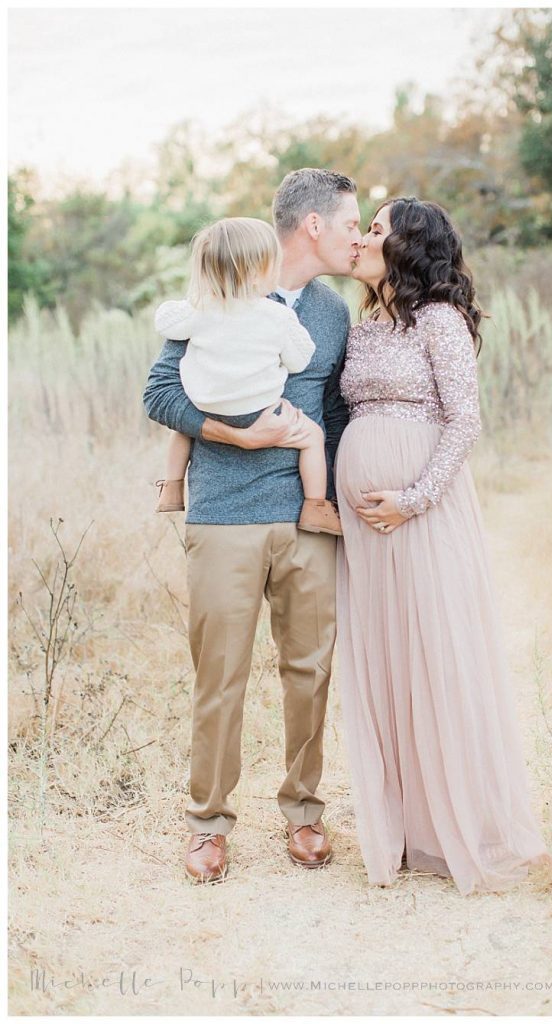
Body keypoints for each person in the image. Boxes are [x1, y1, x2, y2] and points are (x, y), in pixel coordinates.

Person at [143, 169, 361, 882]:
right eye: (350, 222)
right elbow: (161, 392)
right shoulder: (222, 296)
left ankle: (303, 813)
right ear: (312, 227)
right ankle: (208, 825)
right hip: (223, 516)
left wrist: (341, 499)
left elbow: (332, 411)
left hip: (305, 520)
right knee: (221, 676)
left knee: (310, 671)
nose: (356, 235)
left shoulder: (332, 313)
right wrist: (230, 437)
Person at [334, 197, 552, 894]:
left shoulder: (440, 320)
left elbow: (465, 422)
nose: (363, 237)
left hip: (422, 516)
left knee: (434, 656)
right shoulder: (363, 324)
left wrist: (412, 498)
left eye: (374, 227)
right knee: (387, 663)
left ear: (407, 245)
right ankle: (404, 825)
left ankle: (456, 826)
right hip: (366, 532)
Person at [153, 216, 341, 537]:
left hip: (207, 406)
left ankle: (171, 487)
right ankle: (315, 506)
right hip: (260, 409)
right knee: (311, 436)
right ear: (257, 271)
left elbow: (165, 321)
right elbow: (299, 360)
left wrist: (193, 301)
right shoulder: (277, 315)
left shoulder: (200, 308)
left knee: (181, 430)